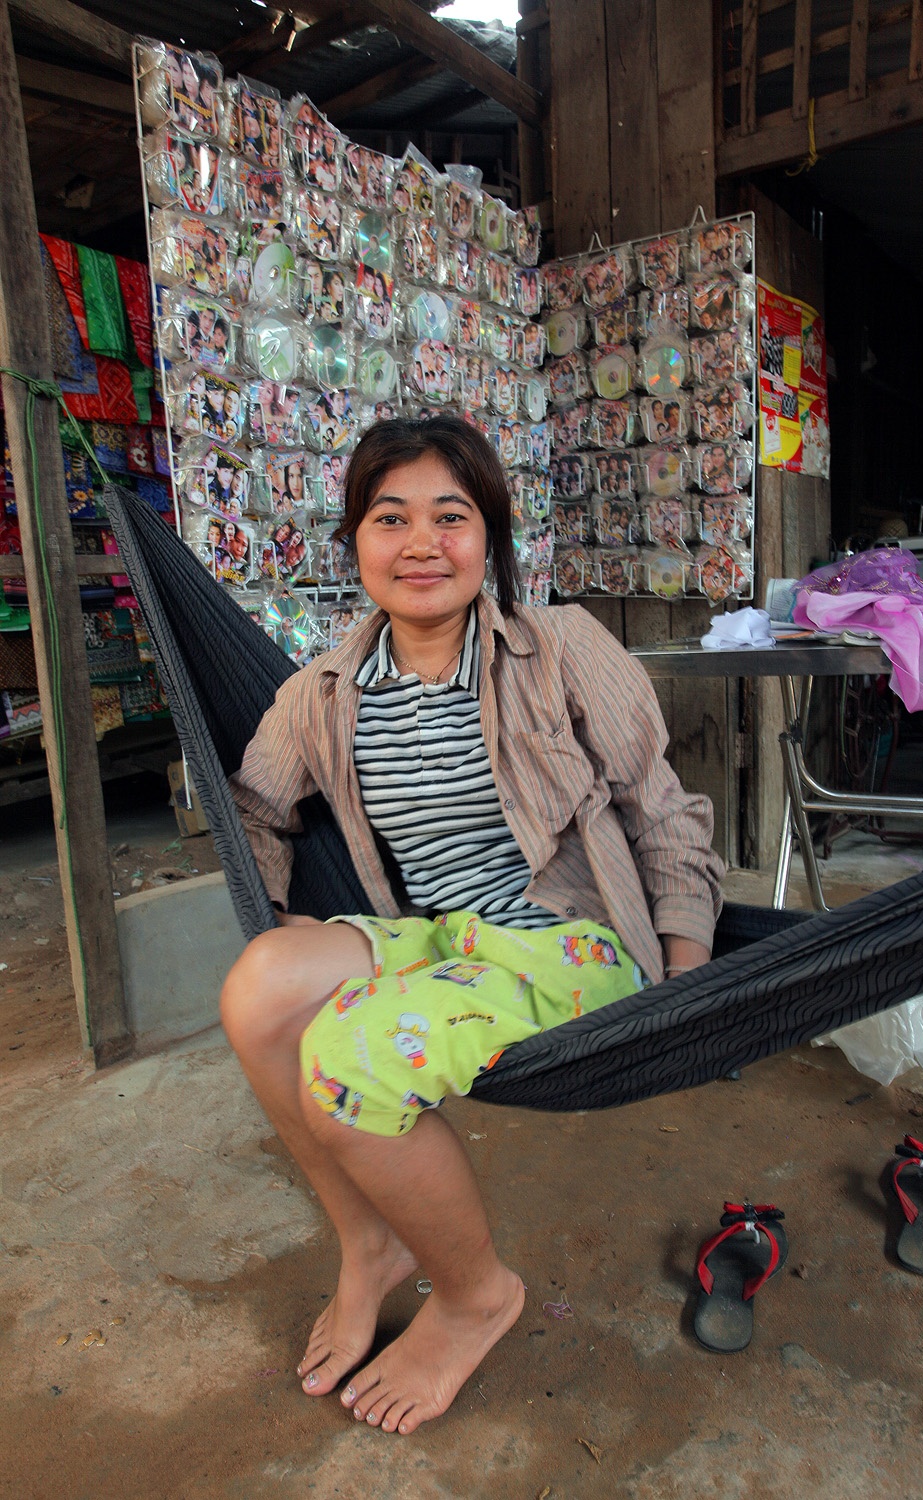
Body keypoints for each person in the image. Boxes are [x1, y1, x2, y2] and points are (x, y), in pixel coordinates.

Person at [222, 417, 723, 1436]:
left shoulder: (562, 650)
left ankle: (474, 1295)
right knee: (259, 985)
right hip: (439, 937)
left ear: (488, 539)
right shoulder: (321, 694)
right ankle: (370, 1243)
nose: (419, 544)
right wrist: (274, 908)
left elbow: (661, 810)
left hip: (567, 944)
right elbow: (255, 809)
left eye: (450, 517)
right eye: (389, 517)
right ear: (353, 543)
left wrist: (685, 977)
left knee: (347, 1057)